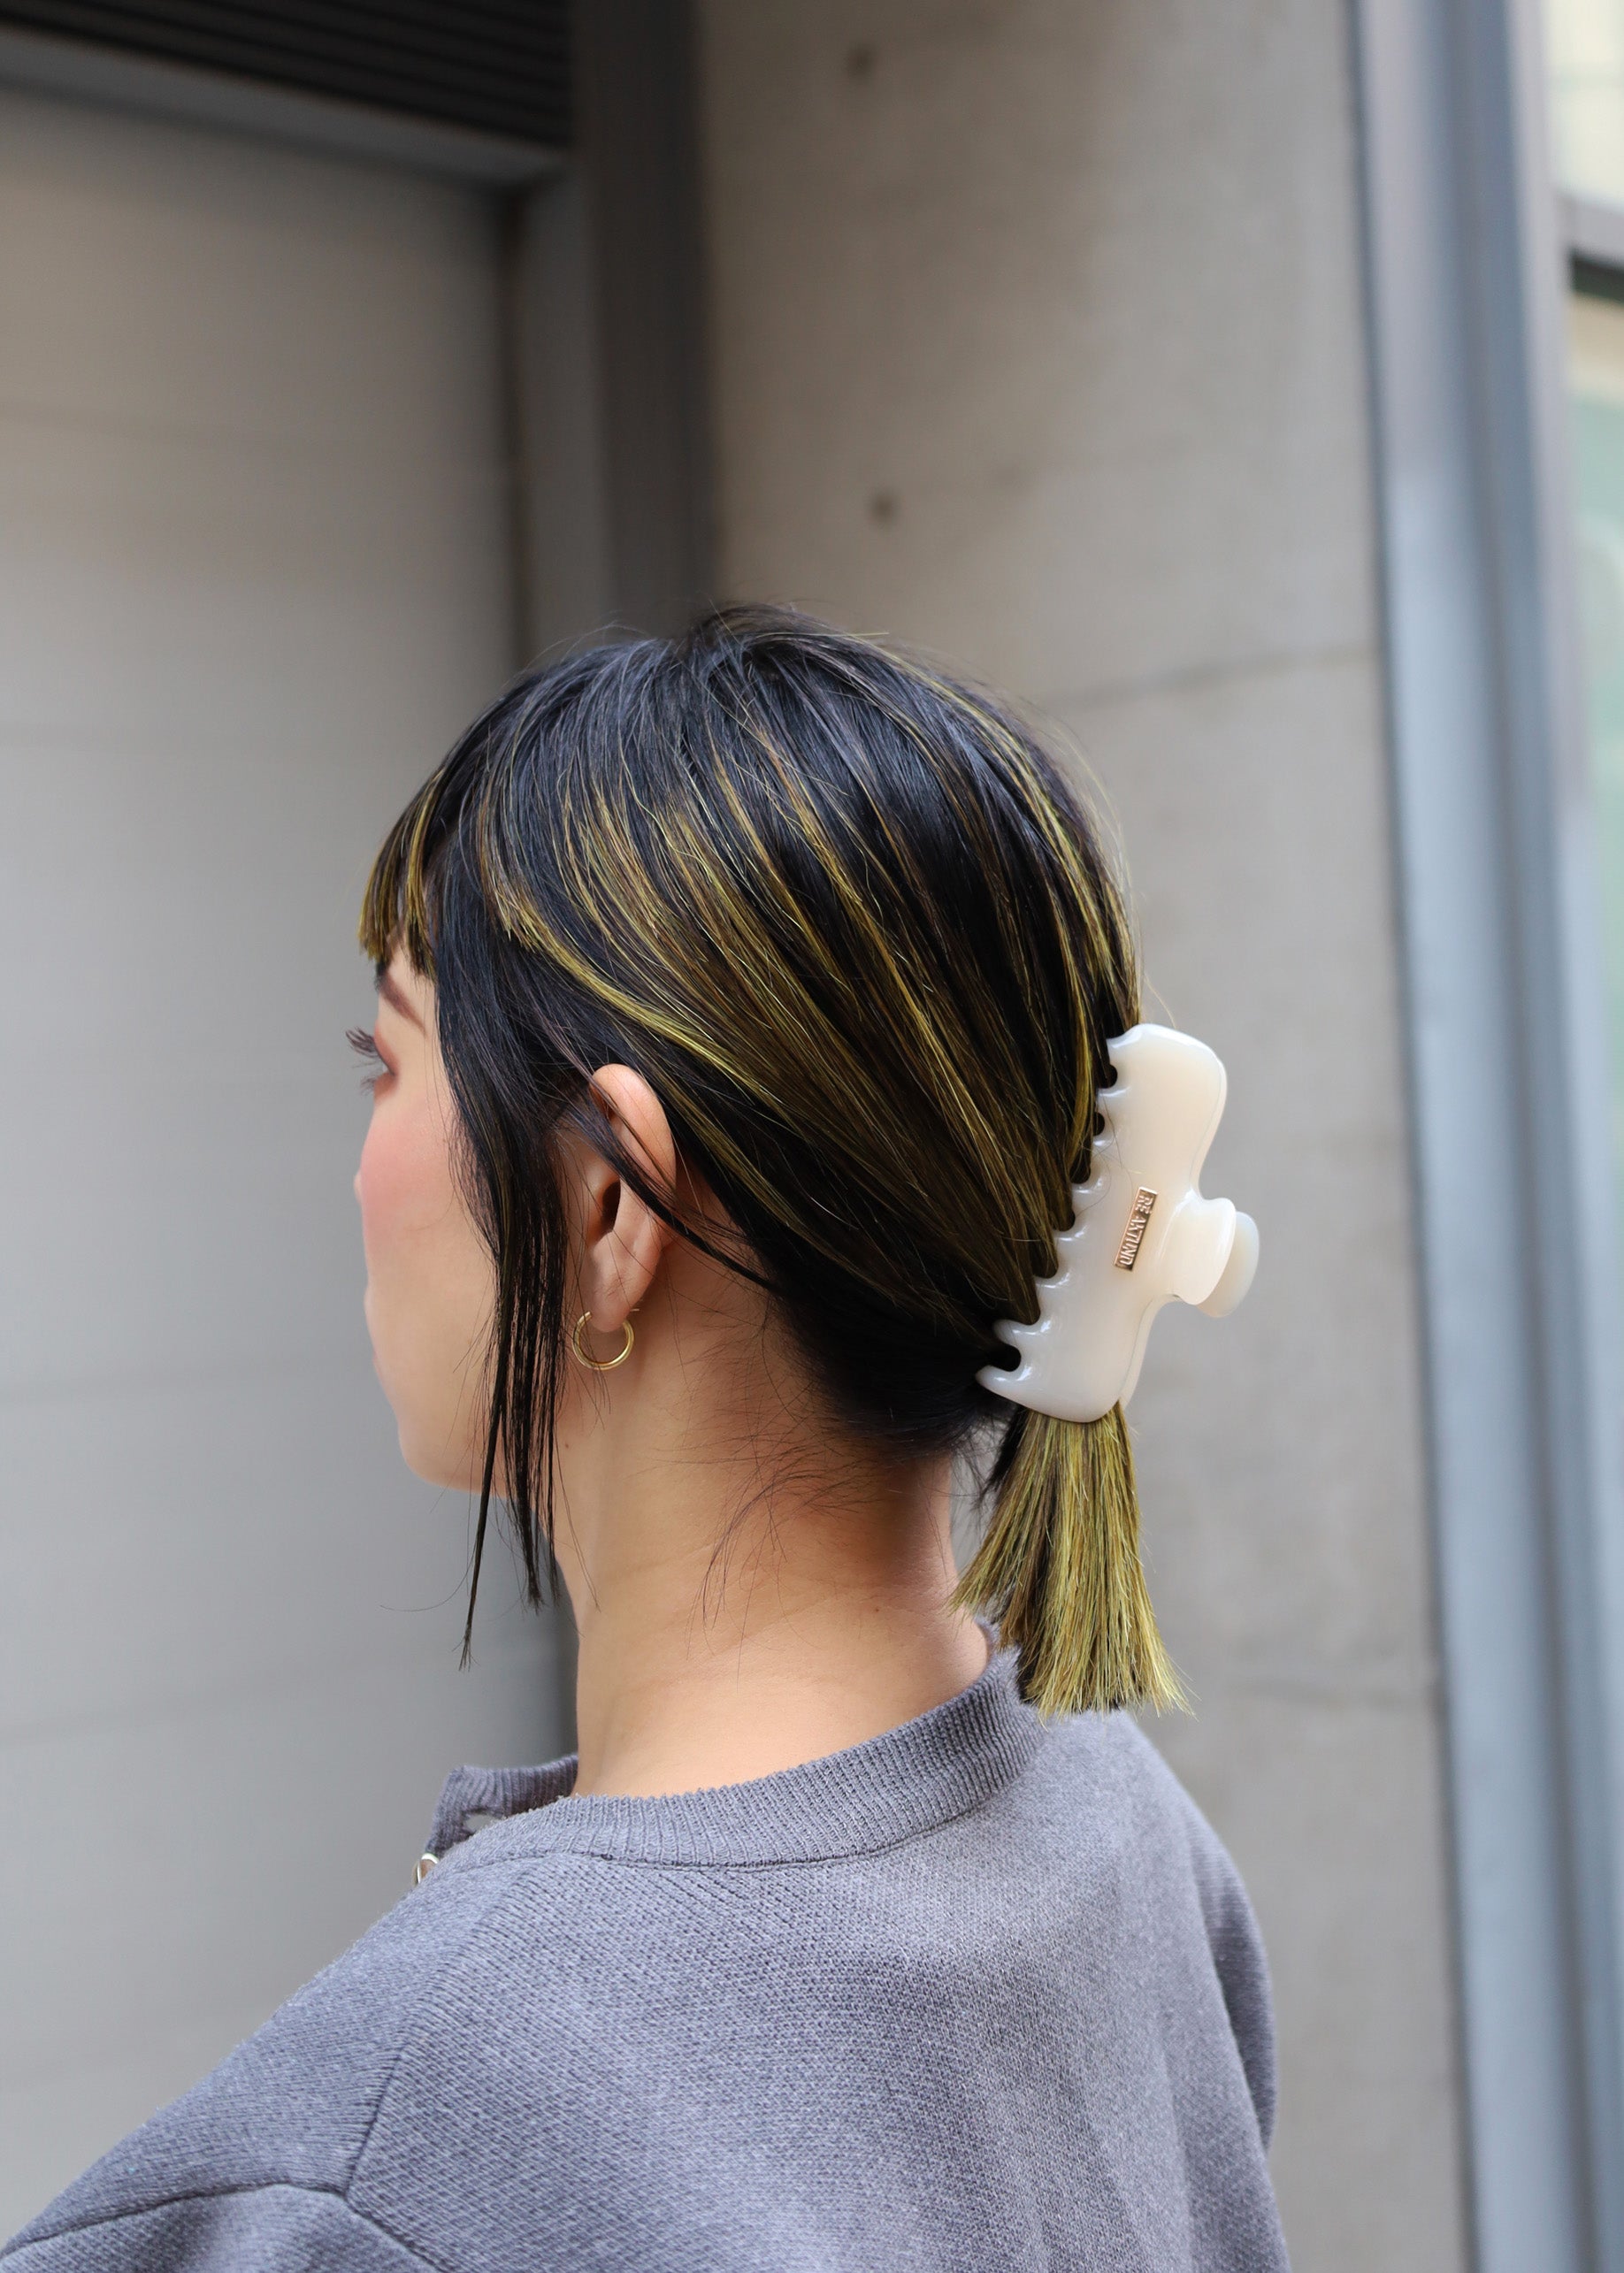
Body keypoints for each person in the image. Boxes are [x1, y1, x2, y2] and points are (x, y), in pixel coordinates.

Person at [4, 610, 1289, 2270]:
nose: (357, 1162)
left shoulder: (392, 2167)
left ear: (608, 1203)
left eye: (386, 1058)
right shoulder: (1123, 1839)